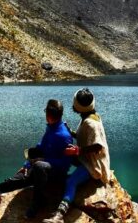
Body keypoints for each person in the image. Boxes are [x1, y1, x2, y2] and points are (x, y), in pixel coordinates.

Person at [0, 99, 77, 218]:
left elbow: (66, 164)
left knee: (40, 166)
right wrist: (26, 165)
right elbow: (39, 148)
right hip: (38, 171)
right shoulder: (51, 128)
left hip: (52, 174)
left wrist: (44, 161)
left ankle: (37, 203)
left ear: (48, 115)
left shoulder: (64, 136)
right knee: (8, 183)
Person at [43, 88, 111, 223]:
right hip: (85, 158)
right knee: (60, 150)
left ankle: (59, 215)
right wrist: (71, 132)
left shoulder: (91, 123)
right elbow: (84, 137)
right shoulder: (88, 116)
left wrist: (77, 151)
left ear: (77, 106)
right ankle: (54, 178)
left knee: (71, 182)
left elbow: (98, 146)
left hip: (93, 164)